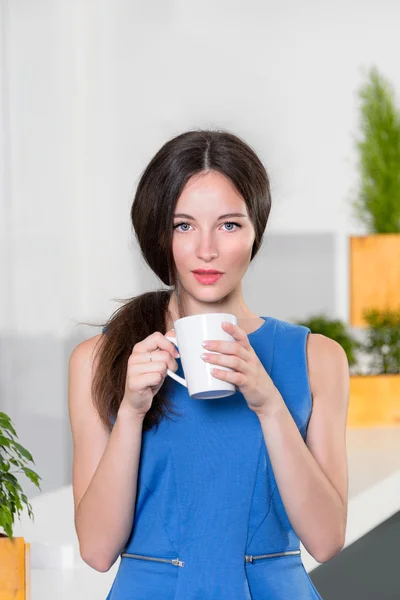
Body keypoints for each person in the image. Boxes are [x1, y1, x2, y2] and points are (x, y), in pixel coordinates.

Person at [68, 129, 349, 599]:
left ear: (256, 229)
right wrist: (132, 412)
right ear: (160, 234)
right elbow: (97, 551)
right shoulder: (99, 360)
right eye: (184, 226)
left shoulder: (317, 357)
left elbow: (326, 541)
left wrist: (269, 403)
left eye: (229, 225)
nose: (206, 250)